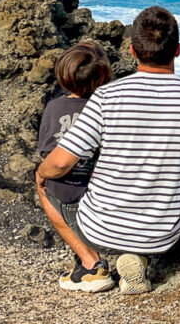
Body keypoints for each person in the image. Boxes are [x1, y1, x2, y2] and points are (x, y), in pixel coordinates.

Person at [37, 6, 180, 294]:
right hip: (163, 237)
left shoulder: (107, 96)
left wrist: (41, 174)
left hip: (99, 231)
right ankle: (139, 255)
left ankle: (90, 264)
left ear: (133, 51)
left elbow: (60, 164)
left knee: (47, 183)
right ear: (178, 50)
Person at [35, 40, 114, 292]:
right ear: (104, 76)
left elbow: (47, 154)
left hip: (70, 194)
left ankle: (90, 263)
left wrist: (41, 175)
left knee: (43, 187)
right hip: (107, 193)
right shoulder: (111, 107)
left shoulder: (55, 108)